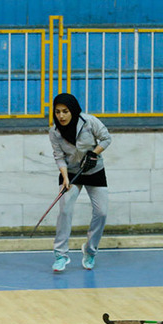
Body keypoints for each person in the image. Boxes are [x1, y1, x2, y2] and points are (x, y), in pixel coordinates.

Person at [49, 93, 112, 272]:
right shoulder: (54, 132)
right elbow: (59, 157)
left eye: (65, 111)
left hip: (93, 170)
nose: (61, 116)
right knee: (65, 210)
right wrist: (65, 177)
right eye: (58, 112)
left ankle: (90, 250)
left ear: (73, 111)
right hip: (70, 172)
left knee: (101, 212)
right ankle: (60, 254)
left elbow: (107, 138)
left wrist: (94, 153)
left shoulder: (90, 122)